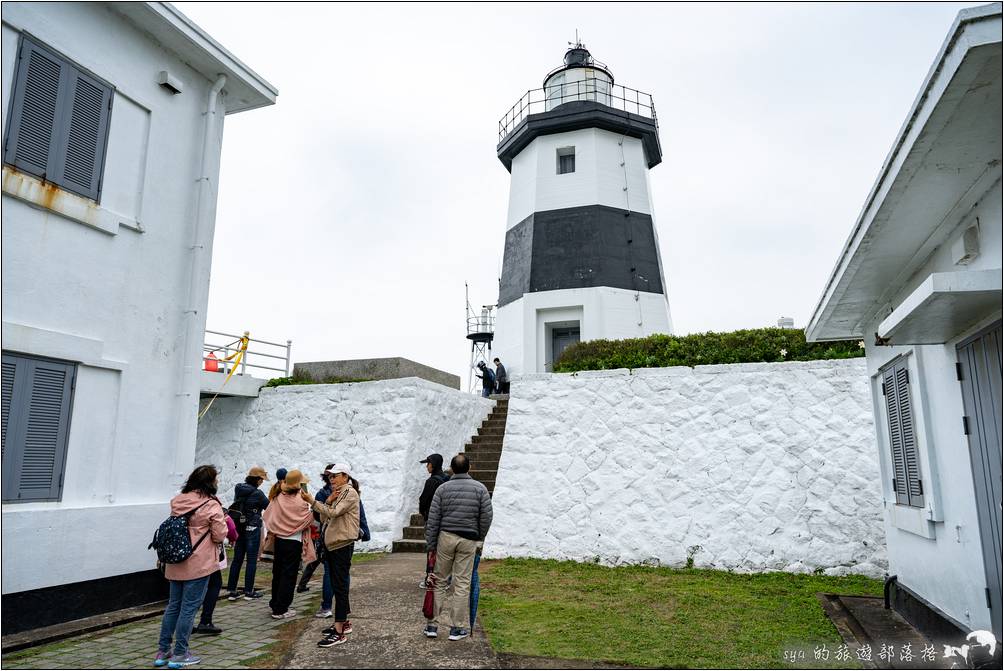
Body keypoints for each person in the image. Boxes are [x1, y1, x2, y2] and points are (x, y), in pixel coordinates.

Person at [153, 465, 228, 668]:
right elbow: (220, 535)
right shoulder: (211, 505)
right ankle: (180, 653)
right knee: (188, 609)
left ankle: (162, 651)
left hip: (176, 562)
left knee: (173, 606)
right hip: (199, 563)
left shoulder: (178, 501)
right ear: (210, 482)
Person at [423, 454, 493, 641]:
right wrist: (480, 536)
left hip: (446, 536)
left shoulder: (442, 489)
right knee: (462, 583)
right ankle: (456, 628)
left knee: (439, 581)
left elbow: (433, 519)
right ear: (469, 468)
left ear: (452, 469)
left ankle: (432, 625)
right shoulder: (480, 489)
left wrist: (431, 544)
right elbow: (486, 516)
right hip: (468, 538)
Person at [311, 464, 360, 648]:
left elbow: (333, 513)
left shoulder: (349, 492)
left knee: (339, 587)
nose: (332, 480)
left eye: (335, 476)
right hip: (334, 544)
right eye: (330, 477)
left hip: (341, 545)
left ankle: (339, 631)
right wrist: (329, 500)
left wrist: (314, 502)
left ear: (345, 476)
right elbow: (324, 519)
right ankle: (343, 622)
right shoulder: (339, 493)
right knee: (337, 583)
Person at [261, 469, 315, 619]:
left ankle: (275, 603)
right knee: (288, 576)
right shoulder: (301, 500)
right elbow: (308, 519)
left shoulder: (278, 497)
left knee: (277, 573)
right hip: (294, 541)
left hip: (279, 540)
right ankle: (281, 609)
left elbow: (268, 515)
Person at [225, 466, 270, 601]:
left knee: (237, 560)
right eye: (261, 479)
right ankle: (249, 591)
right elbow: (268, 507)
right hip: (252, 529)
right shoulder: (258, 493)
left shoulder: (239, 489)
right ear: (257, 479)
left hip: (239, 527)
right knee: (251, 561)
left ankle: (232, 591)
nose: (262, 482)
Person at [193, 514, 238, 635]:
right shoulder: (211, 504)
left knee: (190, 588)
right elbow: (225, 531)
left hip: (187, 551)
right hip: (207, 552)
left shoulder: (180, 502)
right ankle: (205, 621)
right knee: (214, 584)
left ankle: (185, 622)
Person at [417, 454, 450, 589]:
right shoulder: (447, 479)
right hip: (446, 519)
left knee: (432, 549)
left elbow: (423, 501)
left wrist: (424, 513)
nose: (427, 466)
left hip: (432, 519)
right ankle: (445, 579)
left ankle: (430, 579)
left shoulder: (431, 481)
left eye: (428, 463)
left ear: (434, 464)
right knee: (444, 550)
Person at [261, 467, 287, 563]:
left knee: (276, 546)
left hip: (275, 519)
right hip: (283, 520)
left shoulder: (274, 488)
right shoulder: (285, 488)